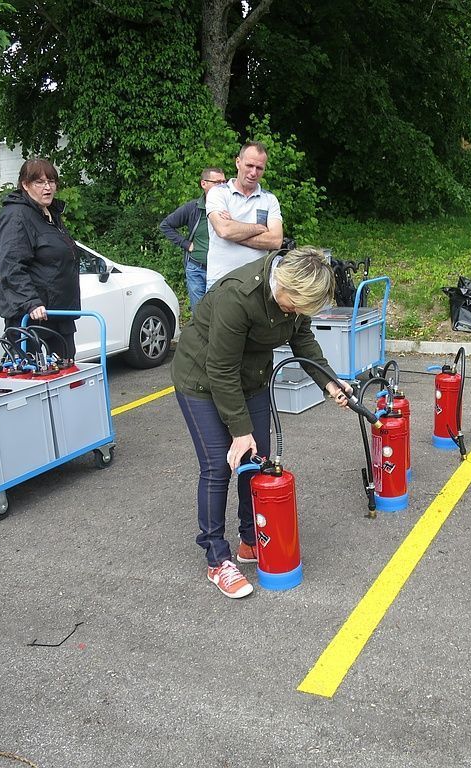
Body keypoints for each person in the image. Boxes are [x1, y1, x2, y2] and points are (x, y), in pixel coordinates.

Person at [171, 246, 352, 598]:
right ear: (283, 284)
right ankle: (217, 559)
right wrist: (239, 431)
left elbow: (302, 340)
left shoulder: (295, 298)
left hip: (250, 378)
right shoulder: (238, 296)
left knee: (258, 461)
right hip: (201, 379)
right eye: (294, 305)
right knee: (219, 465)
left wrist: (330, 382)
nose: (295, 312)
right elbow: (220, 369)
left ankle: (250, 540)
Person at [0, 157, 80, 359]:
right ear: (25, 185)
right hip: (31, 316)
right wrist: (31, 302)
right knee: (31, 371)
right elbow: (11, 266)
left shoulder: (49, 214)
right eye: (40, 182)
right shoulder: (16, 216)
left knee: (66, 368)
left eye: (51, 181)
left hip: (58, 314)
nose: (47, 187)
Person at [204, 141, 283, 289]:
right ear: (238, 162)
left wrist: (234, 228)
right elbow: (224, 230)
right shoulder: (218, 193)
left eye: (259, 168)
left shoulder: (269, 199)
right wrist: (259, 228)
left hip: (256, 284)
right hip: (221, 282)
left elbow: (275, 241)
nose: (253, 173)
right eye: (249, 165)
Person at [158, 168, 227, 312]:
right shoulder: (193, 208)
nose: (222, 186)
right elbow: (165, 225)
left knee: (220, 314)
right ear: (204, 184)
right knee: (199, 314)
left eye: (224, 182)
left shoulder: (229, 208)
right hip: (197, 270)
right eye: (217, 182)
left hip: (221, 270)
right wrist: (186, 244)